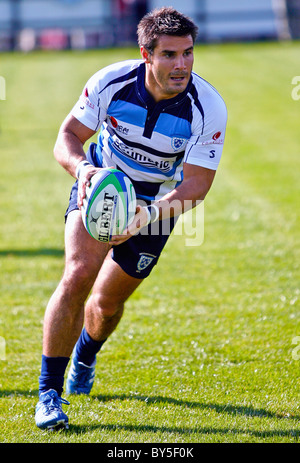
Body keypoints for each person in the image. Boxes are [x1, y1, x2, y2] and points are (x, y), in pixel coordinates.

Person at [35, 6, 227, 430]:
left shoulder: (207, 107)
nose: (182, 65)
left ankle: (85, 356)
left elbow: (196, 185)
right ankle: (49, 393)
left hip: (158, 203)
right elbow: (67, 137)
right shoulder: (111, 82)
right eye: (170, 55)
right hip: (103, 184)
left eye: (189, 53)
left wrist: (149, 215)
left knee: (106, 304)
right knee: (78, 273)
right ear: (147, 54)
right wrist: (85, 171)